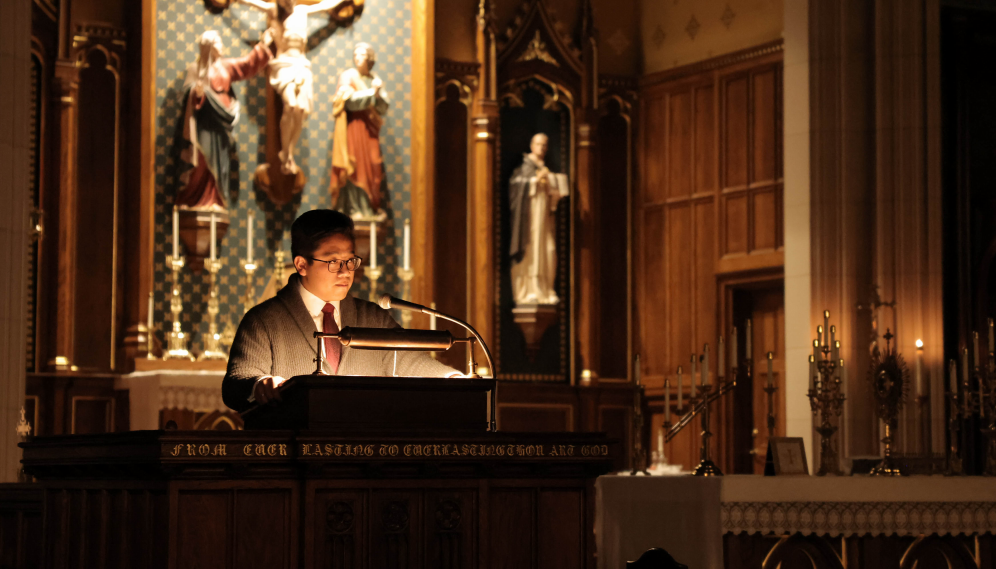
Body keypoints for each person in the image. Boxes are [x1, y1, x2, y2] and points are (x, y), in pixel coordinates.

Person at [222, 209, 458, 412]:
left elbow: (410, 361)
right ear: (302, 265)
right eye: (333, 261)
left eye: (350, 260)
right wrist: (260, 383)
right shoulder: (264, 320)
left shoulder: (372, 318)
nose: (345, 271)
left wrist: (455, 379)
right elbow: (236, 383)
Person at [237, 0, 358, 174]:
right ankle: (285, 152)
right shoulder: (273, 10)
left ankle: (289, 153)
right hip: (284, 66)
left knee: (300, 110)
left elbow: (325, 6)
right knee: (291, 105)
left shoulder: (302, 11)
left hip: (301, 66)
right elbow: (253, 3)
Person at [177, 30, 273, 210]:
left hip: (223, 124)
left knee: (221, 163)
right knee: (202, 160)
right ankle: (194, 199)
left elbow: (246, 65)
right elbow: (187, 94)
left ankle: (216, 200)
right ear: (210, 47)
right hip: (204, 124)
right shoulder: (195, 69)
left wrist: (264, 45)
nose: (222, 46)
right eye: (218, 42)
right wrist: (197, 93)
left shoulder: (226, 66)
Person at [330, 42, 389, 220]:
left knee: (372, 167)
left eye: (362, 54)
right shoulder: (348, 76)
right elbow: (348, 101)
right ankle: (355, 209)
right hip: (353, 128)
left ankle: (369, 208)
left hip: (370, 131)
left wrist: (377, 94)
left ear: (369, 58)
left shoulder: (374, 79)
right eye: (355, 54)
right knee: (355, 167)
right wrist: (372, 94)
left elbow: (384, 107)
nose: (357, 57)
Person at [508, 133, 569, 305]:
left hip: (544, 220)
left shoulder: (546, 168)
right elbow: (515, 187)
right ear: (532, 145)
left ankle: (545, 288)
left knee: (548, 250)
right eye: (538, 144)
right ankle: (529, 289)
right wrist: (535, 181)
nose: (541, 148)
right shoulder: (525, 167)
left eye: (545, 145)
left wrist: (554, 191)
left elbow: (553, 202)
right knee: (532, 251)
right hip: (529, 221)